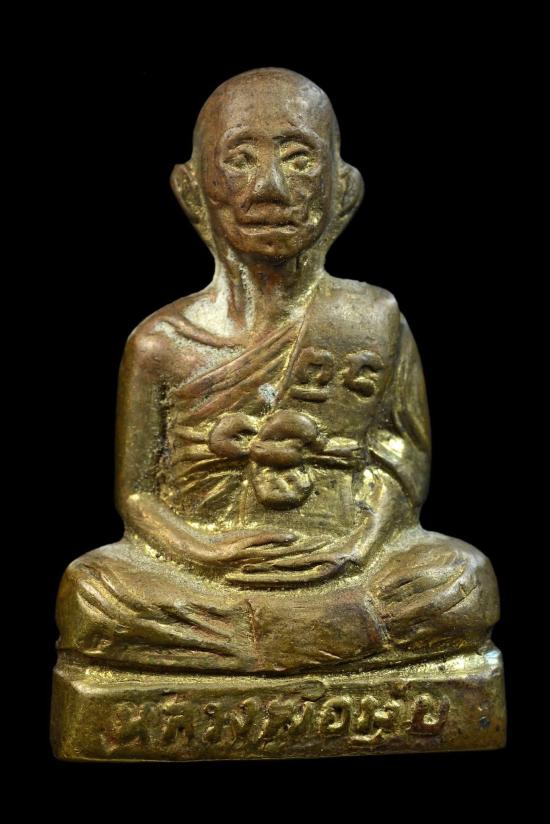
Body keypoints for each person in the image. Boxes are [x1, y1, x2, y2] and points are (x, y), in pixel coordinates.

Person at [55, 68, 499, 674]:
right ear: (193, 189)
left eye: (299, 159)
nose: (270, 188)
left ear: (343, 188)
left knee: (460, 578)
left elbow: (401, 458)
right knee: (95, 591)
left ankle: (258, 643)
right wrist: (206, 553)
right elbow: (136, 495)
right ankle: (318, 639)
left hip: (346, 564)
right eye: (240, 159)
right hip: (209, 575)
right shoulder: (161, 342)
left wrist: (360, 545)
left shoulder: (374, 318)